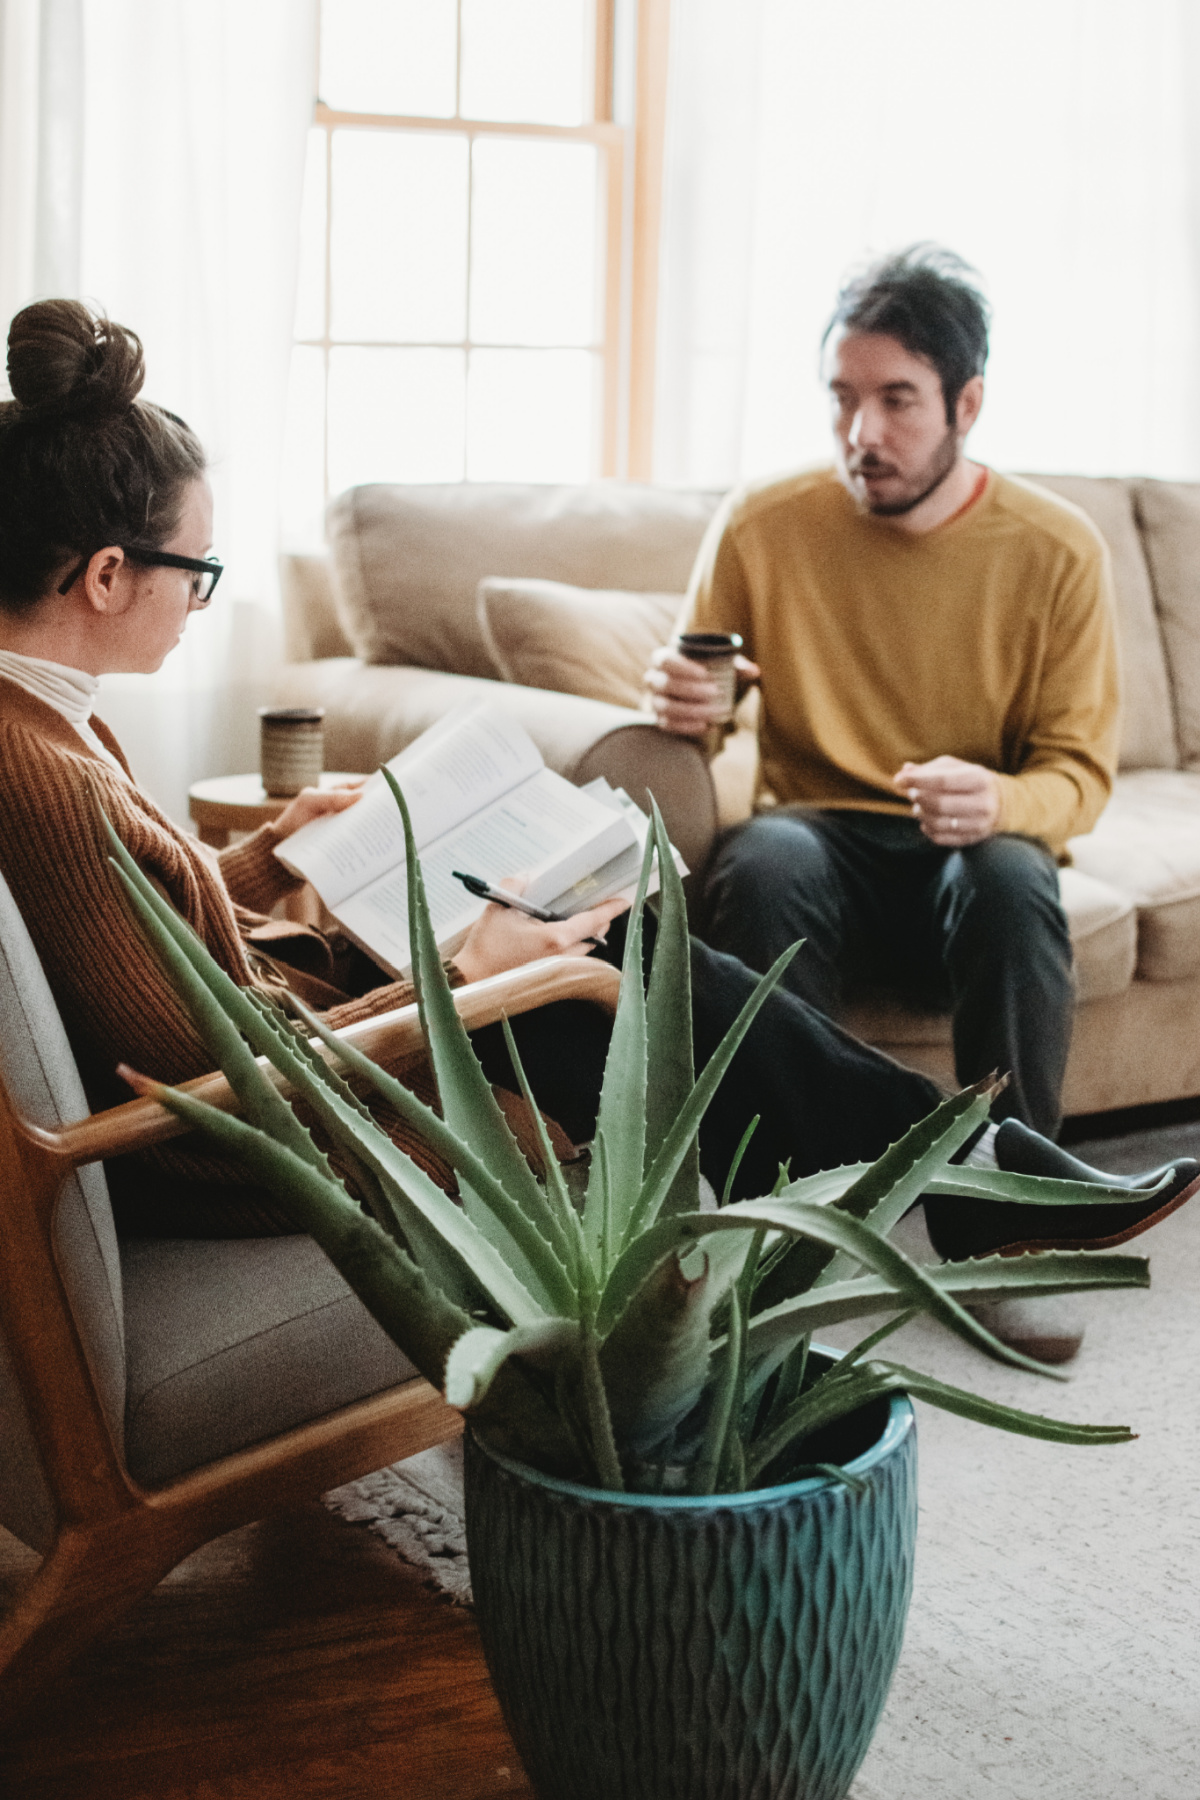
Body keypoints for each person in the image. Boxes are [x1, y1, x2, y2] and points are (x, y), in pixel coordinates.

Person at [0, 299, 1190, 1364]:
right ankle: (965, 1179)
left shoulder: (46, 721)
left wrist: (265, 855)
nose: (202, 600)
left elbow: (143, 922)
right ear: (107, 575)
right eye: (194, 570)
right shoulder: (46, 772)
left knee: (620, 937)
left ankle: (918, 1186)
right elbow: (213, 1090)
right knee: (614, 954)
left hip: (274, 1064)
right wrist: (463, 972)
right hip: (237, 1146)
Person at [646, 245, 1120, 1144]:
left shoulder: (1058, 550)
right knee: (763, 858)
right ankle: (786, 1206)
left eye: (896, 399)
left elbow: (1080, 777)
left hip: (966, 853)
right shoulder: (760, 524)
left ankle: (1013, 1204)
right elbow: (704, 712)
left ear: (965, 405)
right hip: (818, 840)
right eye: (842, 397)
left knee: (1016, 876)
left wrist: (1003, 799)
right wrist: (687, 710)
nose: (862, 432)